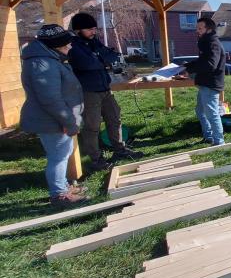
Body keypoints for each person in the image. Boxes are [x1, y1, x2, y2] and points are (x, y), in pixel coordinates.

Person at [20, 24, 87, 206]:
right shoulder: (42, 63)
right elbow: (50, 98)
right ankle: (59, 195)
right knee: (58, 156)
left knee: (62, 153)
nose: (70, 47)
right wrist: (68, 120)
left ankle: (62, 187)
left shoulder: (48, 59)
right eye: (67, 44)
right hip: (52, 119)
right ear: (56, 45)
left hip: (55, 118)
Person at [68, 13, 142, 170]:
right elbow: (88, 64)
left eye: (94, 28)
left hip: (105, 89)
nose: (93, 32)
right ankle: (96, 159)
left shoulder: (94, 42)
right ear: (78, 30)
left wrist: (100, 57)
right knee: (92, 126)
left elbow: (112, 56)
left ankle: (119, 149)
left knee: (115, 118)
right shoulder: (73, 46)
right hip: (88, 91)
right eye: (90, 29)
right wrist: (102, 59)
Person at [182, 17, 226, 146]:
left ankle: (219, 142)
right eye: (197, 28)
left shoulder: (213, 43)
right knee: (200, 111)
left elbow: (210, 64)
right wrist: (188, 66)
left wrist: (191, 69)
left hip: (211, 84)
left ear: (209, 29)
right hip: (205, 83)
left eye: (200, 28)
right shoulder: (207, 42)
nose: (197, 31)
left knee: (212, 113)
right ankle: (209, 136)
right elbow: (203, 60)